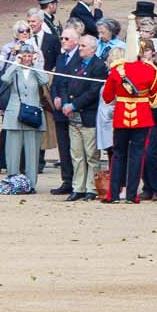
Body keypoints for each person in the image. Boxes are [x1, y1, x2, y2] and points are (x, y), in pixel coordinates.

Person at [100, 41, 157, 205]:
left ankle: (113, 194)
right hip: (142, 115)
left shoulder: (116, 70)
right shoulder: (150, 69)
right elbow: (155, 98)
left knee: (118, 155)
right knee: (137, 156)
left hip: (121, 116)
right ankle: (131, 195)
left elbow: (107, 97)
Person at [51, 25, 106, 201]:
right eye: (80, 45)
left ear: (92, 48)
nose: (80, 49)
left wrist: (74, 104)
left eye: (83, 46)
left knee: (91, 154)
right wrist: (67, 102)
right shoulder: (75, 64)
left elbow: (93, 91)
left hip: (87, 115)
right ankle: (78, 186)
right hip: (73, 117)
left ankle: (92, 187)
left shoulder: (98, 66)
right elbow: (65, 83)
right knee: (76, 154)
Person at [0, 36, 48, 189]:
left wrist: (37, 64)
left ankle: (31, 184)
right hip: (14, 113)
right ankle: (12, 181)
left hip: (33, 113)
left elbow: (44, 80)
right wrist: (15, 63)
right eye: (24, 56)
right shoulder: (15, 69)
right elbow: (5, 79)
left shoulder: (35, 69)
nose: (26, 59)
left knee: (32, 152)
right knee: (12, 151)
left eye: (29, 56)